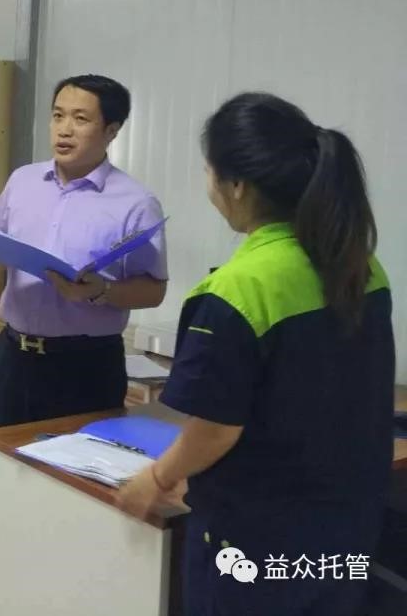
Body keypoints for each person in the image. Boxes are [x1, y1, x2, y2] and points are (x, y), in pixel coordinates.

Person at [118, 92, 395, 616]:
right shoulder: (360, 264)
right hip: (344, 527)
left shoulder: (236, 291)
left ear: (237, 186)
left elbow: (216, 429)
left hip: (255, 540)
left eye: (209, 170)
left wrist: (155, 479)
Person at [0, 74, 169, 427]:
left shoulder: (135, 203)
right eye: (58, 116)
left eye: (80, 119)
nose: (64, 130)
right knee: (6, 456)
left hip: (85, 365)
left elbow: (154, 290)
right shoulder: (22, 181)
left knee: (74, 460)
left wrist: (101, 290)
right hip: (14, 355)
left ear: (111, 130)